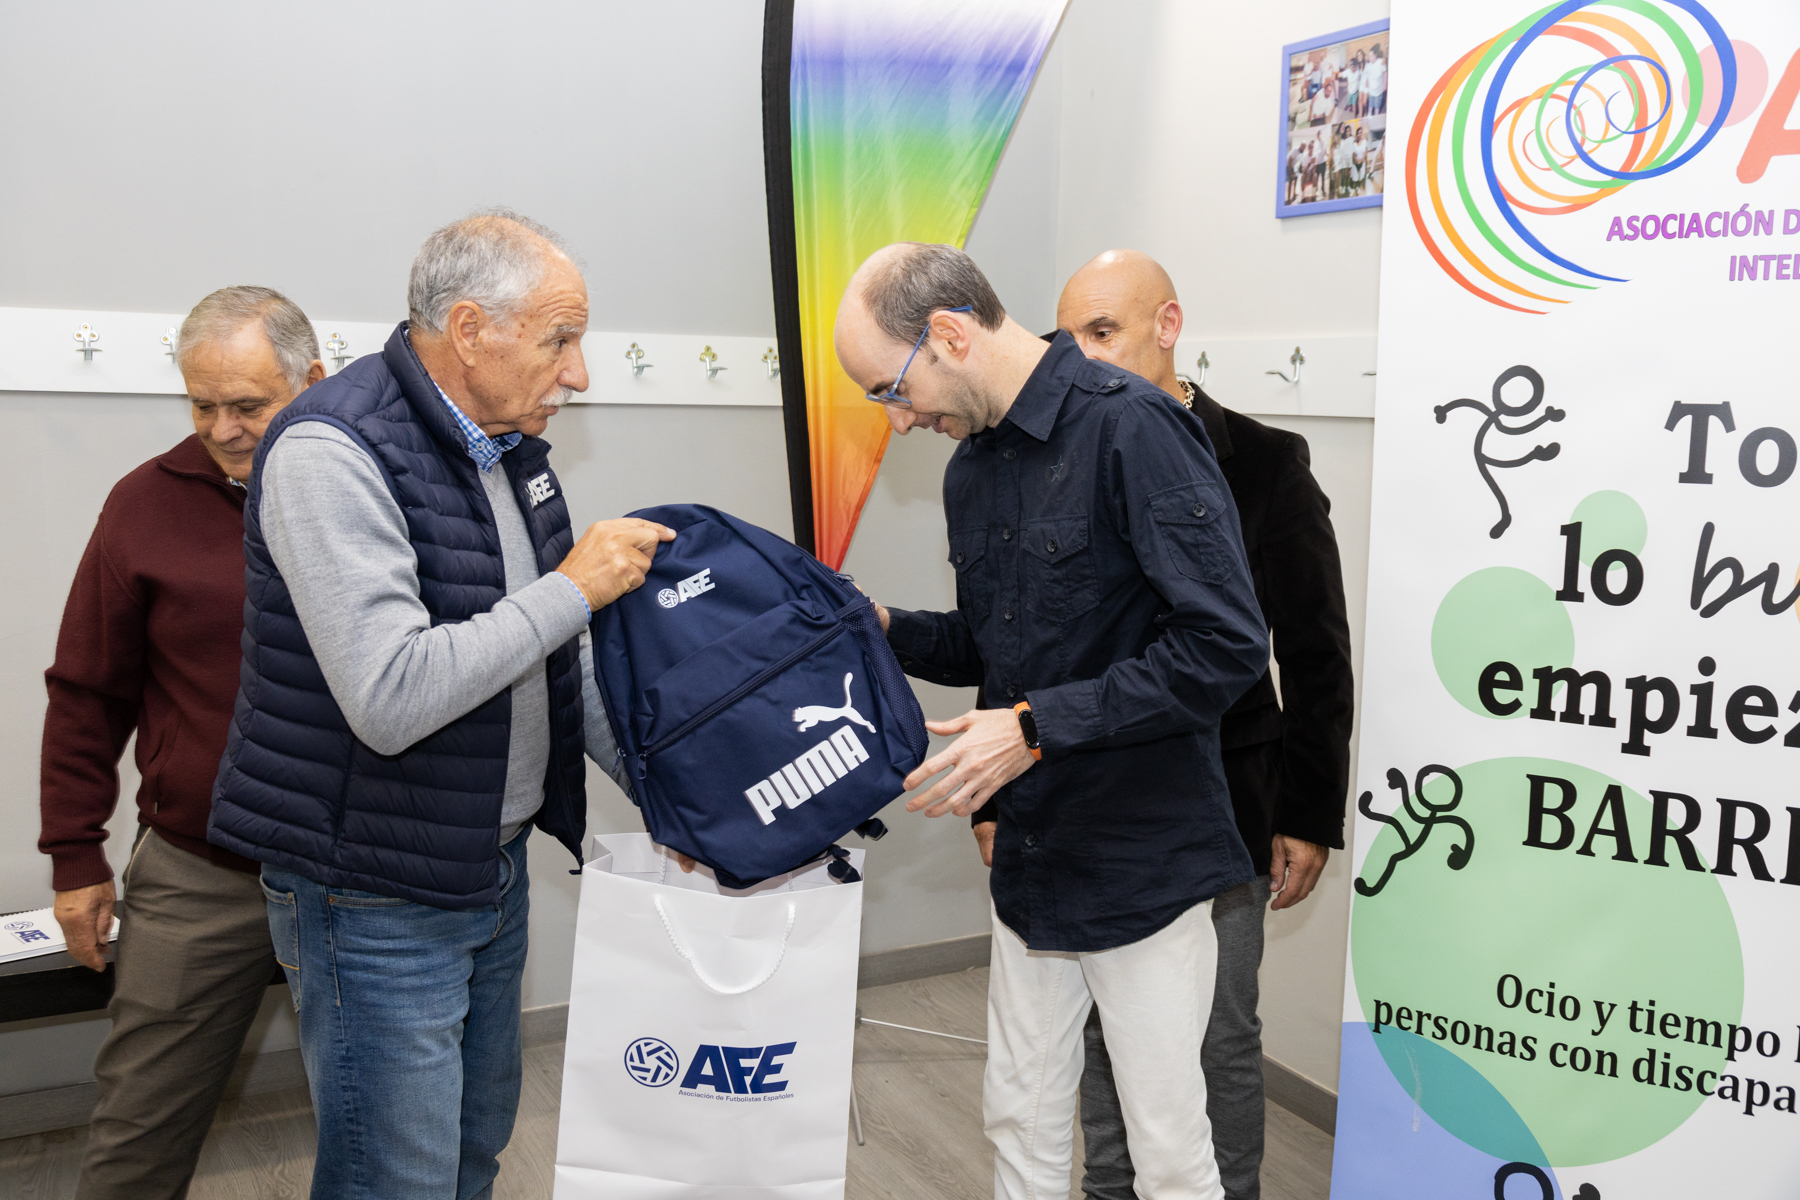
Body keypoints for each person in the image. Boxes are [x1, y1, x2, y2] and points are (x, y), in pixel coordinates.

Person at [206, 209, 673, 1200]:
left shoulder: (505, 447)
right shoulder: (329, 449)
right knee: (396, 1181)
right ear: (469, 331)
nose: (580, 374)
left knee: (469, 1153)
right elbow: (390, 694)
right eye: (559, 341)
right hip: (371, 891)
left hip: (485, 865)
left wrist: (678, 802)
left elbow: (554, 660)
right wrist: (574, 588)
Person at [835, 242, 1269, 1200]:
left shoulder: (1134, 429)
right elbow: (999, 647)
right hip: (1035, 862)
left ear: (949, 334)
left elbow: (1225, 645)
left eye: (892, 390)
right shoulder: (971, 470)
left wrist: (1032, 727)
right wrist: (885, 627)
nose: (899, 421)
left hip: (1143, 861)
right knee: (1020, 1119)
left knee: (1167, 1151)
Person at [1048, 250, 1353, 1200]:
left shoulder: (1262, 463)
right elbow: (1026, 640)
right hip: (1092, 795)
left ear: (1167, 326)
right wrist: (993, 794)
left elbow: (1314, 651)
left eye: (1105, 332)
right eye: (1069, 340)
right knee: (1107, 1031)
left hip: (1226, 804)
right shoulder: (1058, 462)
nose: (1085, 358)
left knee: (1216, 1033)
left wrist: (1306, 812)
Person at [39, 286, 326, 1200]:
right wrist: (75, 852)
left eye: (247, 404)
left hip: (359, 872)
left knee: (392, 1131)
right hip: (202, 871)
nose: (222, 429)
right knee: (137, 1136)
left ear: (313, 381)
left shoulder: (375, 490)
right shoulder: (144, 504)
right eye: (203, 405)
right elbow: (87, 689)